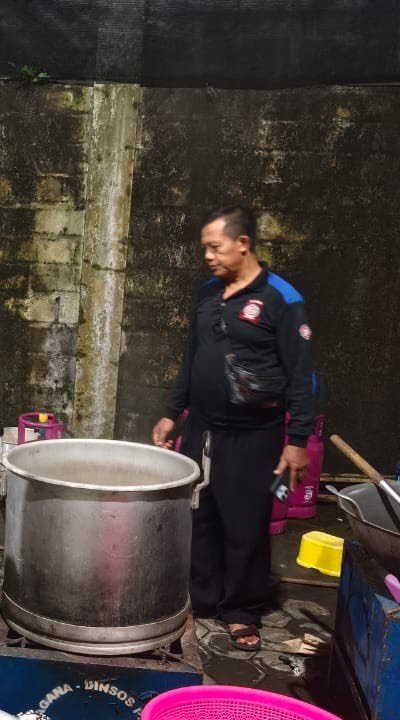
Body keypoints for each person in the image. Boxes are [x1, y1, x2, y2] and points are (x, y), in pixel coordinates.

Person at [151, 205, 315, 652]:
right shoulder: (207, 293)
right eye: (204, 248)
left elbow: (302, 376)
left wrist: (297, 440)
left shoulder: (282, 299)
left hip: (254, 433)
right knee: (199, 514)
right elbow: (191, 357)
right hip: (201, 427)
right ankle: (201, 598)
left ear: (243, 244)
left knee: (245, 522)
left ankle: (241, 609)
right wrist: (173, 412)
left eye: (215, 247)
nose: (207, 256)